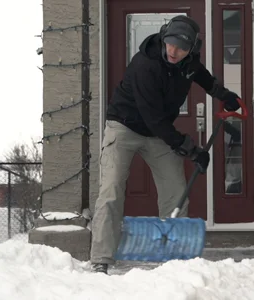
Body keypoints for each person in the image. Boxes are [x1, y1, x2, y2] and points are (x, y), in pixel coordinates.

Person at [90, 15, 241, 274]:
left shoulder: (188, 62)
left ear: (191, 49)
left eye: (181, 47)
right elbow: (155, 119)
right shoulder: (145, 66)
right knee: (112, 188)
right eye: (170, 43)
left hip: (157, 133)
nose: (173, 51)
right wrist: (190, 149)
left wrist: (225, 96)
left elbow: (203, 78)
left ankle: (175, 258)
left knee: (175, 191)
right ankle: (102, 258)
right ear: (163, 37)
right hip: (124, 127)